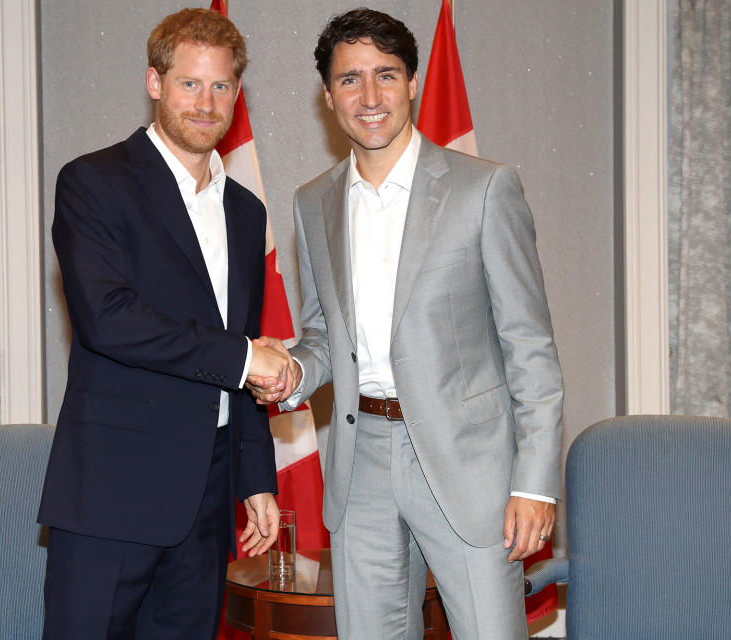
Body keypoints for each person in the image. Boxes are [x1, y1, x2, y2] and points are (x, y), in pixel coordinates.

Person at [248, 8, 564, 639]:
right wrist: (293, 374)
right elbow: (321, 335)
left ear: (413, 81)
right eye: (350, 79)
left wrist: (536, 486)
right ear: (328, 94)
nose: (370, 98)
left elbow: (529, 346)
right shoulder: (313, 202)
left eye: (386, 75)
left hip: (468, 467)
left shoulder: (484, 188)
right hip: (359, 461)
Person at [38, 8, 291, 639]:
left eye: (221, 86)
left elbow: (247, 339)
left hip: (208, 495)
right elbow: (108, 318)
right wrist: (242, 358)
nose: (206, 103)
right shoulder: (94, 182)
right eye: (189, 84)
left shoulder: (244, 209)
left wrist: (255, 478)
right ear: (155, 83)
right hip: (113, 490)